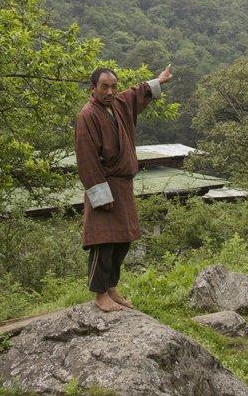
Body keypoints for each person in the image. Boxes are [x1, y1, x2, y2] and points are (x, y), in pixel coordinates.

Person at [73, 64, 173, 312]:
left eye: (113, 86)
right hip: (104, 184)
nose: (110, 91)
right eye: (104, 87)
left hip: (123, 185)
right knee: (103, 241)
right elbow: (86, 159)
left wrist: (159, 80)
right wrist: (100, 193)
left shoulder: (117, 104)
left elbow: (136, 92)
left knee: (123, 239)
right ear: (93, 88)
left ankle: (112, 287)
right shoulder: (87, 116)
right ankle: (99, 294)